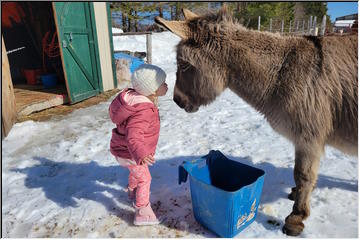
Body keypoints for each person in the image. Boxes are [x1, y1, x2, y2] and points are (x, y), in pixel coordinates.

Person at [109, 64, 168, 225]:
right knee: (145, 179)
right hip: (130, 152)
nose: (167, 86)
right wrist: (141, 154)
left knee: (136, 173)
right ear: (152, 90)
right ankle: (142, 210)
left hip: (124, 151)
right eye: (163, 84)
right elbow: (133, 136)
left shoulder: (135, 100)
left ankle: (132, 191)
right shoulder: (143, 110)